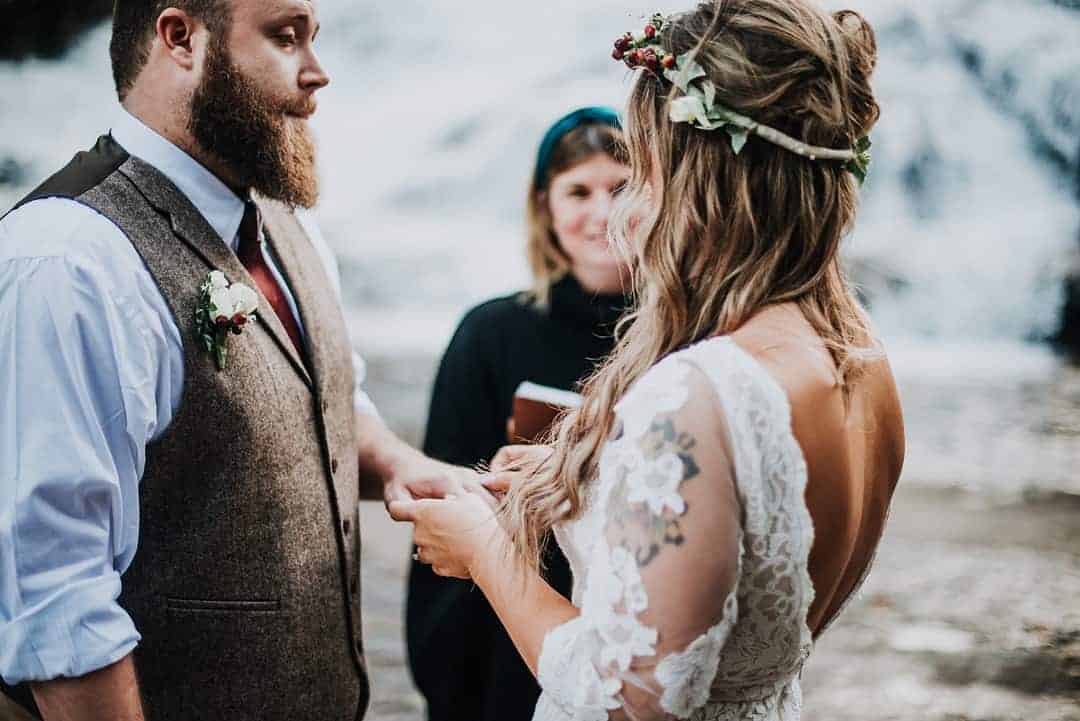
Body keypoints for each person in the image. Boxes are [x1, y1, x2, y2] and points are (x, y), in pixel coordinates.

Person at [391, 1, 905, 719]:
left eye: (645, 168)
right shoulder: (861, 354)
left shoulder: (700, 390)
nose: (627, 209)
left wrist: (485, 551)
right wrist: (568, 476)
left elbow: (629, 701)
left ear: (700, 179)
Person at [0, 2, 480, 720]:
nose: (318, 73)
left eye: (314, 37)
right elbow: (57, 599)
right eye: (286, 38)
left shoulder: (287, 221)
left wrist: (410, 468)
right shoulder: (67, 262)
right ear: (180, 38)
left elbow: (326, 397)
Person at [406, 107, 631, 721]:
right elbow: (449, 496)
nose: (601, 213)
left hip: (636, 623)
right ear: (544, 206)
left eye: (621, 188)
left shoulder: (684, 337)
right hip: (503, 631)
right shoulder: (489, 334)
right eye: (578, 191)